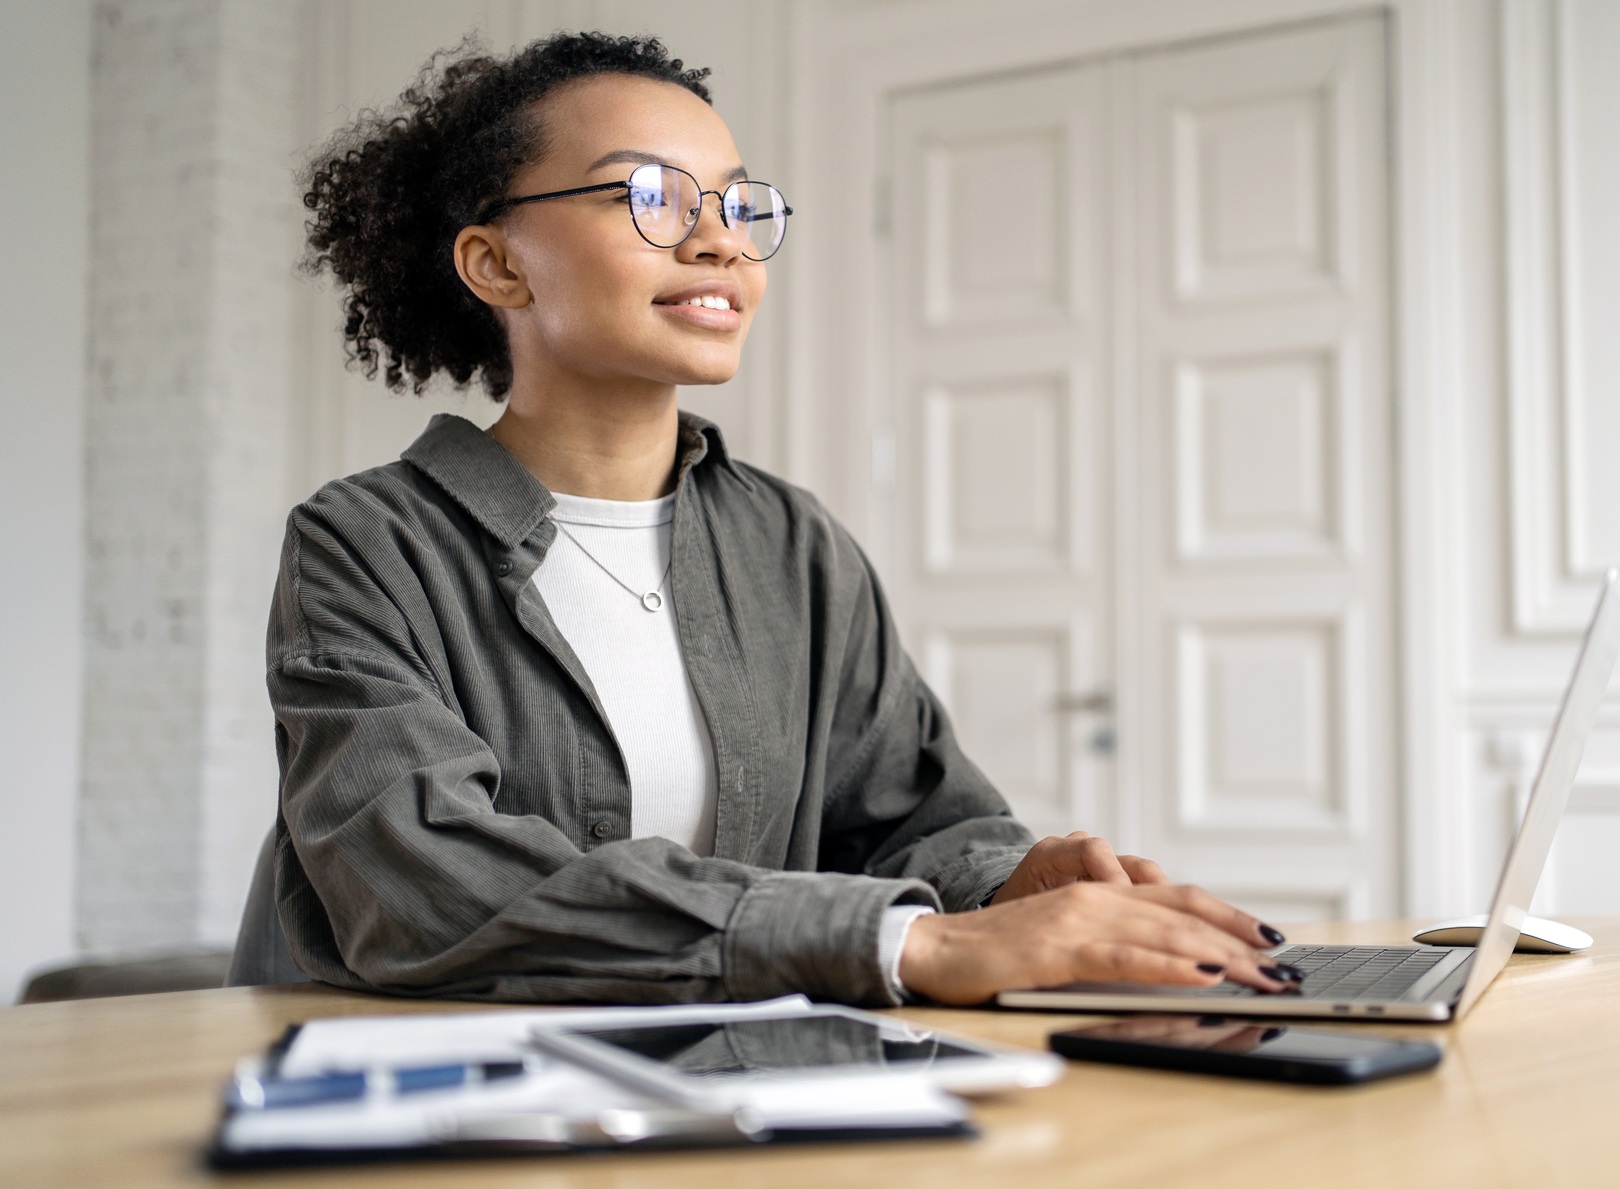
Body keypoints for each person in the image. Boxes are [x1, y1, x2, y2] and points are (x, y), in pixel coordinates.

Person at [269, 31, 1303, 1007]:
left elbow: (910, 821)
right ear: (497, 263)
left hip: (728, 1084)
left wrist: (1006, 883)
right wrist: (914, 941)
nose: (718, 239)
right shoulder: (365, 546)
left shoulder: (792, 546)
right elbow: (423, 881)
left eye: (735, 204)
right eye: (652, 196)